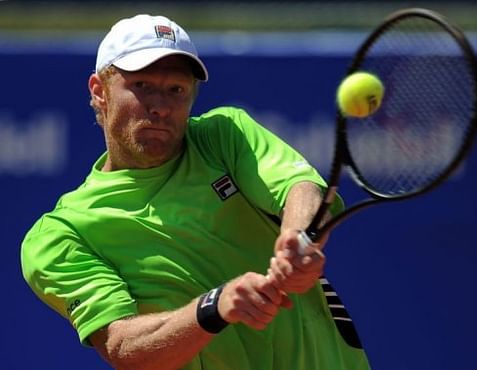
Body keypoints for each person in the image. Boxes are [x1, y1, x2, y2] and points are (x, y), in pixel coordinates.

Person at [21, 14, 370, 370]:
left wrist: (298, 239)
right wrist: (213, 307)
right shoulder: (60, 237)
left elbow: (301, 188)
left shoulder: (226, 135)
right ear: (99, 90)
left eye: (177, 90)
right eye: (142, 85)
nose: (161, 106)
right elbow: (124, 346)